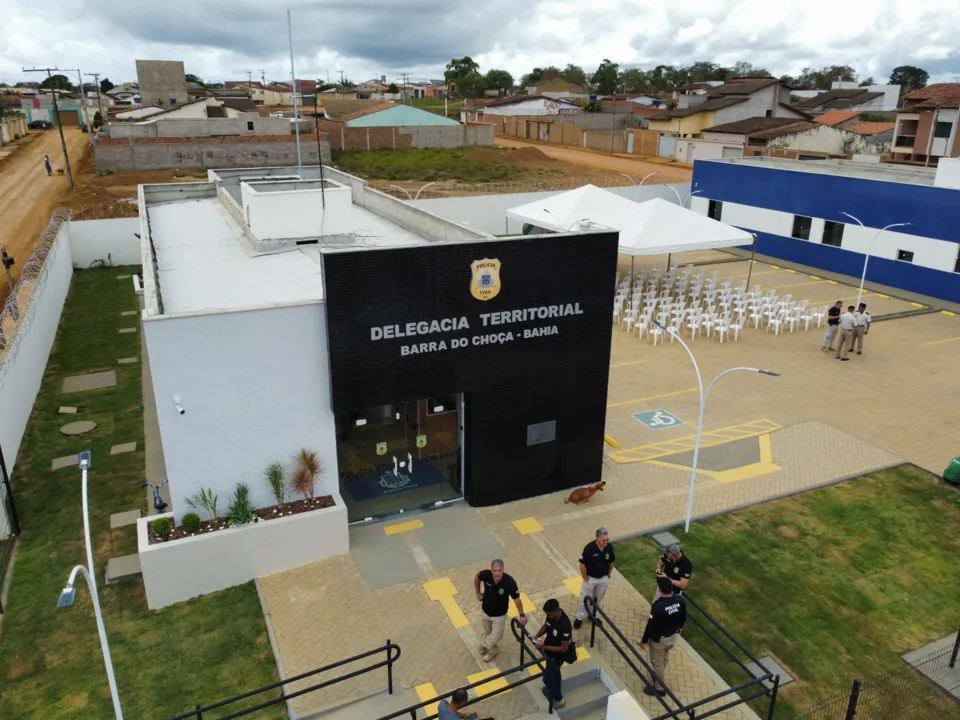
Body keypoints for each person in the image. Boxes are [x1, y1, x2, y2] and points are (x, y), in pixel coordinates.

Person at [638, 576, 686, 697]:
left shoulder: (658, 606)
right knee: (664, 657)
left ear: (660, 589)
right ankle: (658, 675)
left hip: (659, 640)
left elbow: (650, 626)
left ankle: (659, 688)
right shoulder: (680, 600)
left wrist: (643, 640)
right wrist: (679, 627)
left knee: (657, 662)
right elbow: (683, 617)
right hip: (672, 636)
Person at [474, 559, 525, 662]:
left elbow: (517, 599)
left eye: (499, 570)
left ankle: (484, 643)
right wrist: (478, 593)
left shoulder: (509, 582)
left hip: (499, 615)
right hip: (485, 612)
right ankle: (493, 649)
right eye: (495, 570)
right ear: (491, 570)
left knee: (496, 636)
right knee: (489, 633)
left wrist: (522, 614)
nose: (497, 573)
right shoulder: (485, 575)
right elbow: (476, 578)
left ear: (503, 570)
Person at [574, 527, 615, 630]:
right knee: (584, 599)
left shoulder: (609, 547)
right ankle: (579, 617)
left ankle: (593, 616)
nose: (606, 542)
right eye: (603, 540)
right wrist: (586, 577)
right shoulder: (589, 549)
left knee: (598, 598)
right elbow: (582, 565)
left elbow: (611, 562)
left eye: (607, 539)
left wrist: (608, 575)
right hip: (590, 579)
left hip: (603, 579)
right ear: (597, 538)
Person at [534, 598, 571, 708]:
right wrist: (536, 636)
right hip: (549, 652)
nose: (548, 616)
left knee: (547, 678)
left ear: (556, 611)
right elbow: (546, 625)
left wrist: (543, 646)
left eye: (549, 614)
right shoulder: (551, 616)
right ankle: (553, 689)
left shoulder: (565, 625)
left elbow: (564, 648)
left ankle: (558, 699)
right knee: (554, 673)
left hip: (558, 656)